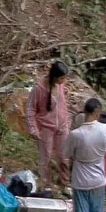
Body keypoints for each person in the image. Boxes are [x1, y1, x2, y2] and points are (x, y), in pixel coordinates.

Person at [27, 60, 71, 189]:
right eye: (62, 78)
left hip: (62, 126)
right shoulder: (39, 88)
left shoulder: (61, 85)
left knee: (64, 156)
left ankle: (64, 182)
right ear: (55, 77)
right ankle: (47, 185)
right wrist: (33, 128)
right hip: (45, 127)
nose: (64, 80)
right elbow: (30, 109)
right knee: (45, 158)